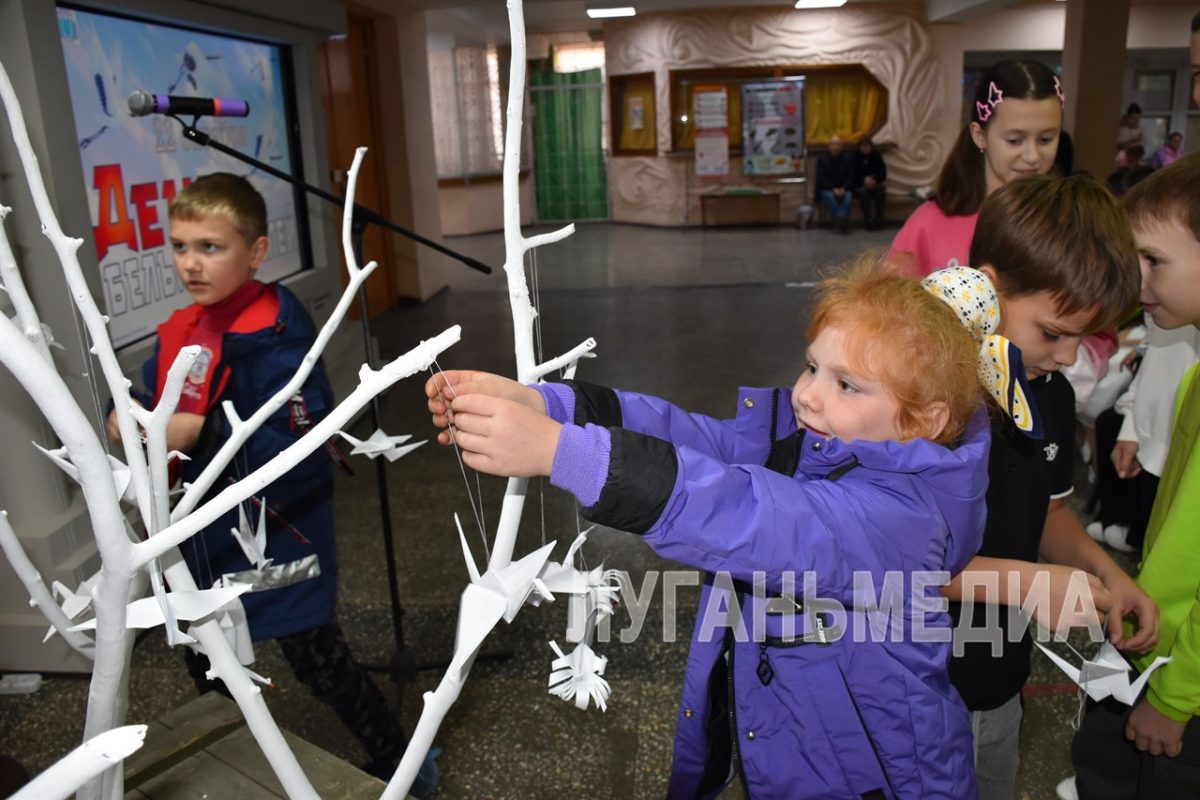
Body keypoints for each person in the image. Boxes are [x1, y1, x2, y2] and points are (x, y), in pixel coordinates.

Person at [423, 253, 1043, 798]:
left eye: (846, 384)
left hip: (871, 777)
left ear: (925, 420)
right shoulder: (822, 442)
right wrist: (554, 407)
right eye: (812, 368)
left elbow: (747, 513)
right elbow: (693, 439)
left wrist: (564, 453)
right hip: (795, 742)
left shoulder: (903, 519)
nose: (807, 396)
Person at [105, 173, 437, 794]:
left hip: (277, 533)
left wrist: (191, 436)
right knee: (208, 658)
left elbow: (303, 438)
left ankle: (405, 766)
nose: (190, 264)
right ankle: (236, 762)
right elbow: (147, 396)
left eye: (211, 247)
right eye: (180, 246)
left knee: (318, 659)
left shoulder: (278, 334)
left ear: (255, 253)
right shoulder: (185, 326)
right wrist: (126, 416)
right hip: (201, 536)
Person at [939, 174, 1156, 800]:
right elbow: (885, 561)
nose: (1067, 358)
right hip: (905, 679)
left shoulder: (1052, 396)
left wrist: (1105, 571)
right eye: (1053, 333)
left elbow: (1047, 509)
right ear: (987, 286)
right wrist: (1029, 583)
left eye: (1082, 338)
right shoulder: (922, 403)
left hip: (998, 677)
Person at [1065, 153, 1200, 800]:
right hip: (1159, 638)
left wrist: (1176, 699)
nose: (1136, 280)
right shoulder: (1195, 374)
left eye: (1155, 261)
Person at [891, 59, 1063, 275]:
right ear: (980, 135)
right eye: (1014, 140)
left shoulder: (1070, 221)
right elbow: (885, 302)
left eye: (1046, 139)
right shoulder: (928, 224)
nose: (1032, 156)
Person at [1086, 315, 1199, 553]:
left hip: (1173, 441)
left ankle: (1131, 530)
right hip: (1153, 427)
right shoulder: (1167, 314)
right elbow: (1155, 369)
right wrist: (1133, 426)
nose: (1143, 284)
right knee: (1109, 425)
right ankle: (1118, 520)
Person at [816, 134, 855, 233]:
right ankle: (842, 219)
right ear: (829, 146)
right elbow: (821, 178)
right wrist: (833, 188)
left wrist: (844, 188)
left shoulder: (848, 159)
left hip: (845, 189)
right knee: (829, 196)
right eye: (833, 144)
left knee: (848, 196)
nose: (835, 147)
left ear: (842, 146)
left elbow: (851, 176)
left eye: (838, 144)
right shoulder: (822, 160)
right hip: (828, 189)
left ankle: (839, 219)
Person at [852, 136, 888, 230]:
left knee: (881, 192)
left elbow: (883, 173)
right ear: (859, 147)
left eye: (867, 146)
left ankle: (879, 220)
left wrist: (874, 181)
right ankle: (868, 220)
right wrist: (864, 181)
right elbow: (853, 175)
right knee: (863, 194)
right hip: (861, 186)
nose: (865, 148)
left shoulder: (877, 156)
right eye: (863, 146)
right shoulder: (855, 157)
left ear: (871, 146)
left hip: (876, 184)